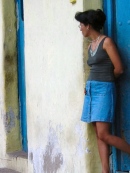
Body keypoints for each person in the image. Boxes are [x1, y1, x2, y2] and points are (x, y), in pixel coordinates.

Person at [75, 9, 130, 173]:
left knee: (104, 134)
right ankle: (105, 171)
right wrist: (89, 86)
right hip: (91, 91)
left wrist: (105, 80)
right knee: (99, 135)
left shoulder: (107, 42)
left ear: (88, 25)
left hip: (104, 89)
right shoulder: (90, 46)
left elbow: (119, 69)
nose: (80, 28)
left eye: (81, 25)